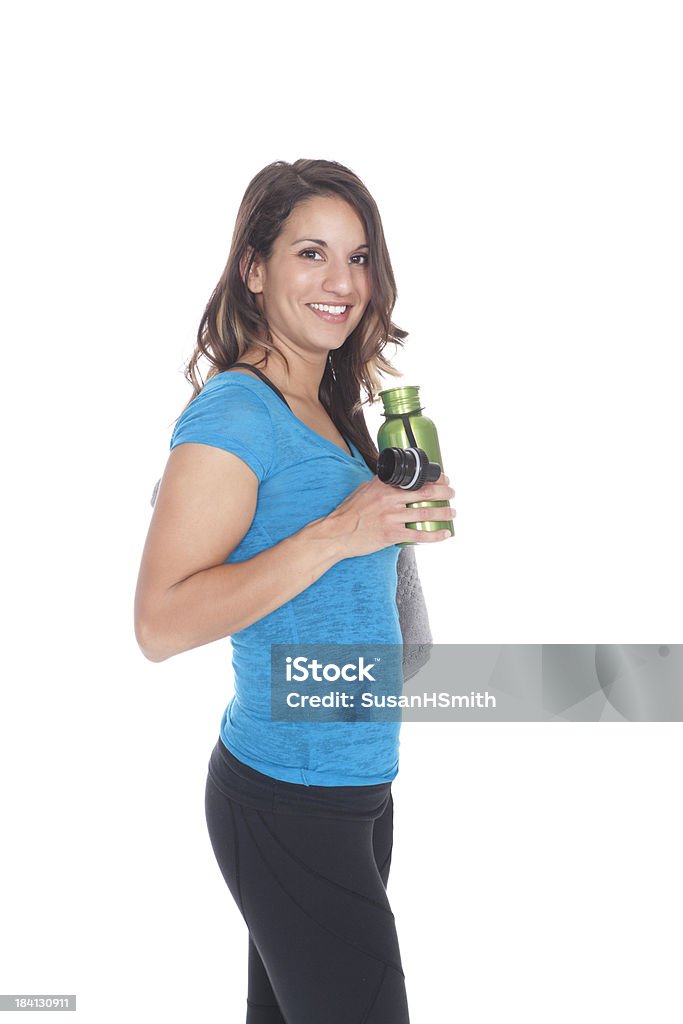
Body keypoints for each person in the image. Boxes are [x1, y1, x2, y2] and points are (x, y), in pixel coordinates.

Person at [134, 158, 456, 1023]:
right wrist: (335, 533)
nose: (340, 282)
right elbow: (159, 624)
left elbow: (349, 574)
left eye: (357, 258)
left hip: (356, 789)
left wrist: (387, 520)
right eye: (310, 253)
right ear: (254, 268)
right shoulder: (235, 416)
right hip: (287, 799)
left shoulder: (331, 403)